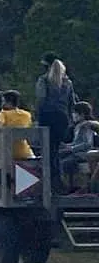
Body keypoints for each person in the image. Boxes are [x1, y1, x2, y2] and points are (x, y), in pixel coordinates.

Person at [35, 52, 78, 194]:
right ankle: (58, 182)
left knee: (47, 152)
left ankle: (50, 184)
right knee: (56, 152)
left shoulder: (44, 80)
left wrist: (38, 118)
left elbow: (41, 100)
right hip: (62, 119)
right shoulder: (67, 82)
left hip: (47, 118)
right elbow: (72, 103)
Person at [60, 101, 98, 192]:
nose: (73, 115)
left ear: (82, 114)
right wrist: (66, 146)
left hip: (82, 154)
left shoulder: (86, 126)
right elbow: (76, 143)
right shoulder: (77, 126)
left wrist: (71, 148)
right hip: (76, 152)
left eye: (75, 113)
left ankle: (69, 187)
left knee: (65, 163)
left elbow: (87, 144)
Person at [0, 89, 35, 160]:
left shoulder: (4, 113)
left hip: (8, 153)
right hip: (24, 152)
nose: (2, 103)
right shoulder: (27, 114)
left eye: (3, 101)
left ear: (9, 102)